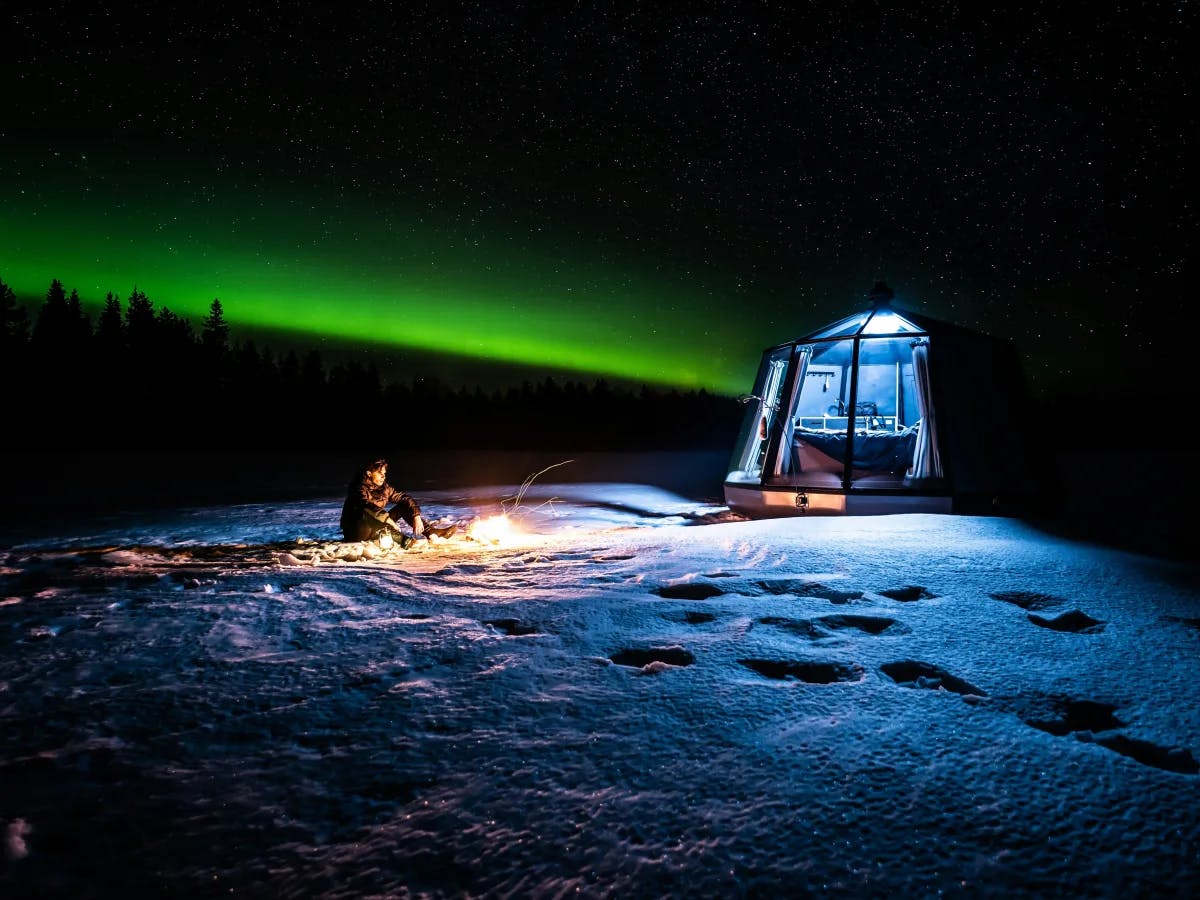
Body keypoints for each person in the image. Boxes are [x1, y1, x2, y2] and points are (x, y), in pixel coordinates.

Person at [340, 458, 456, 545]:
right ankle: (401, 540)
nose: (383, 477)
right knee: (367, 512)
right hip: (357, 532)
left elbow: (405, 498)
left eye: (384, 474)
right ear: (369, 473)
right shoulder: (358, 488)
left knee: (403, 506)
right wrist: (389, 521)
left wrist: (416, 516)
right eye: (380, 473)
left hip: (377, 526)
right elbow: (367, 508)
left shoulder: (384, 488)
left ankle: (431, 532)